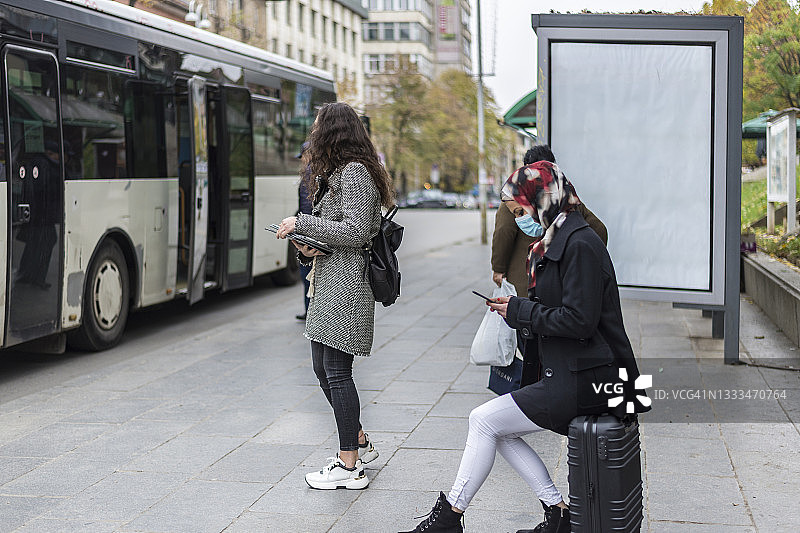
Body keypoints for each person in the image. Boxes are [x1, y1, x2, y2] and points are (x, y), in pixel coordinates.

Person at [399, 161, 649, 533]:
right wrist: (514, 313)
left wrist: (521, 311)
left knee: (484, 421)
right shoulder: (558, 240)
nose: (519, 220)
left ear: (542, 199)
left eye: (520, 211)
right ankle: (557, 513)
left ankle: (452, 518)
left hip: (592, 378)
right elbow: (558, 313)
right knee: (494, 425)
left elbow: (579, 321)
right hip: (576, 370)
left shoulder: (579, 244)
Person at [275, 102, 394, 490]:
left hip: (347, 286)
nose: (312, 134)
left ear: (332, 132)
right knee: (321, 367)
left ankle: (349, 464)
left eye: (316, 128)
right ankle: (357, 440)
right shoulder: (340, 172)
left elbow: (358, 231)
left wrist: (304, 222)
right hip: (330, 280)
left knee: (337, 372)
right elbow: (338, 229)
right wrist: (306, 244)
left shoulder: (356, 173)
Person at [491, 144, 607, 295]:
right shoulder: (567, 200)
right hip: (560, 286)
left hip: (525, 282)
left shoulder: (516, 198)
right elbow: (599, 230)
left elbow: (503, 232)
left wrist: (498, 268)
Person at [296, 142, 312, 321]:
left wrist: (301, 229)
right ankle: (309, 310)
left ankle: (310, 311)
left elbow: (306, 206)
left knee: (306, 273)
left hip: (307, 232)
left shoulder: (309, 173)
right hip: (308, 228)